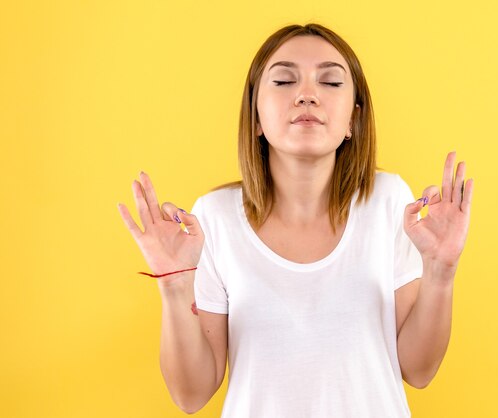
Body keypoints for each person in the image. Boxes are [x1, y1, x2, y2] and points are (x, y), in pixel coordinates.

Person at [117, 23, 473, 417]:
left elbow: (418, 370)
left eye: (331, 83)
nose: (307, 95)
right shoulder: (213, 219)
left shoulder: (389, 202)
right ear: (255, 117)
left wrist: (440, 271)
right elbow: (191, 395)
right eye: (284, 80)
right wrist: (175, 286)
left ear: (354, 119)